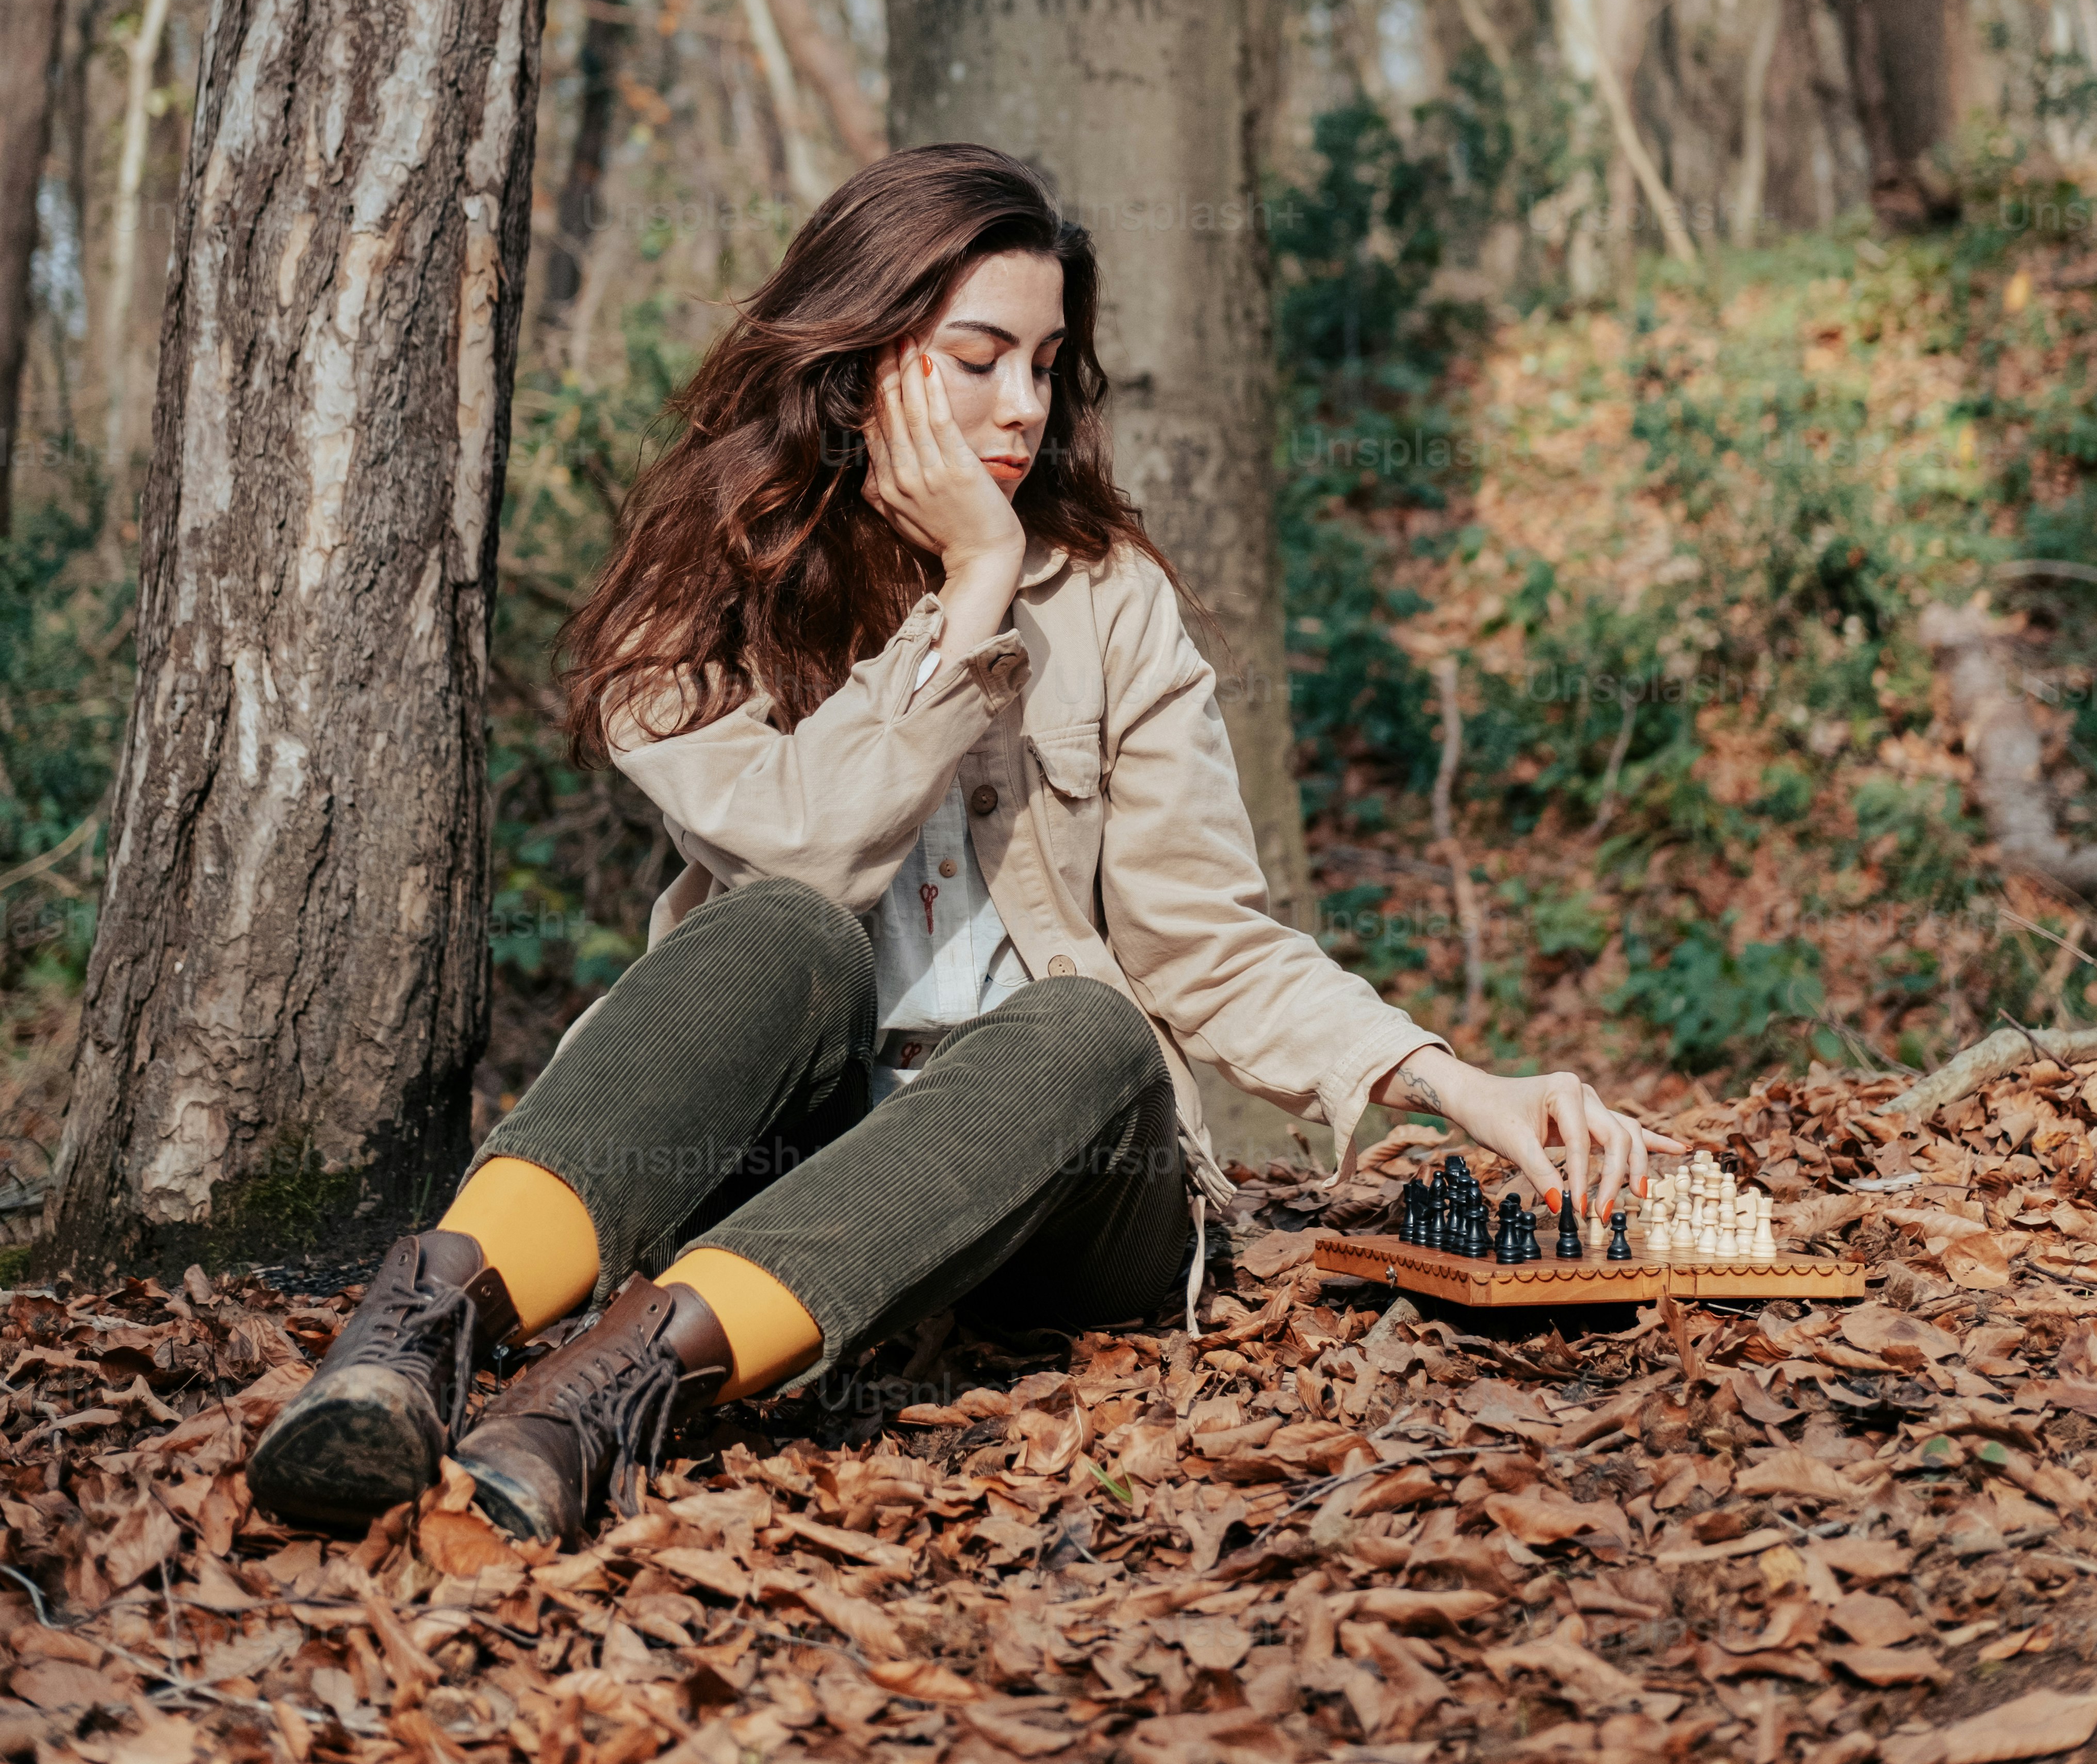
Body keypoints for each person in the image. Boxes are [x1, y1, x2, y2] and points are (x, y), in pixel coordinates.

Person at [249, 145, 1659, 1547]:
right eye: (978, 357)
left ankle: (598, 1396)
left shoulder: (1108, 600)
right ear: (861, 357)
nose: (1022, 406)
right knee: (778, 930)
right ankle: (410, 1337)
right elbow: (808, 850)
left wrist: (1447, 1079)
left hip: (1062, 1196)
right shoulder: (693, 592)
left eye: (1047, 363)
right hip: (788, 1172)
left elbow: (1203, 938)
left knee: (1084, 1026)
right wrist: (967, 592)